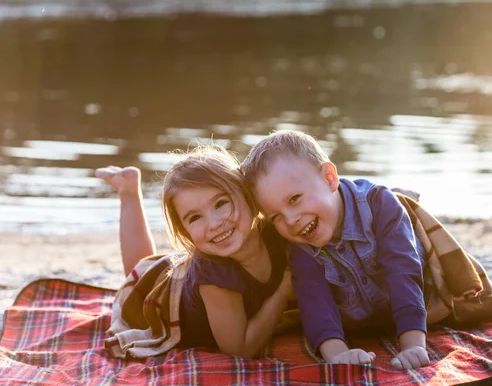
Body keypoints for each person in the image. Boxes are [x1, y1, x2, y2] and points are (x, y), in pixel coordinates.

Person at [240, 130, 429, 369]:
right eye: (276, 216)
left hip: (409, 301)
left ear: (329, 178)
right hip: (360, 320)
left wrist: (414, 345)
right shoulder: (300, 244)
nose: (290, 220)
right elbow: (314, 301)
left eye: (294, 199)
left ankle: (407, 197)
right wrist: (337, 353)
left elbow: (404, 273)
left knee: (401, 225)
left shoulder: (379, 207)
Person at [95, 144, 294, 358]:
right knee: (139, 271)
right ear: (187, 233)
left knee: (149, 264)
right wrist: (283, 293)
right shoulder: (214, 273)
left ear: (252, 200)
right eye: (195, 218)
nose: (214, 223)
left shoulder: (277, 232)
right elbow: (240, 349)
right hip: (161, 297)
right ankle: (128, 192)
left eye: (221, 203)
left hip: (182, 272)